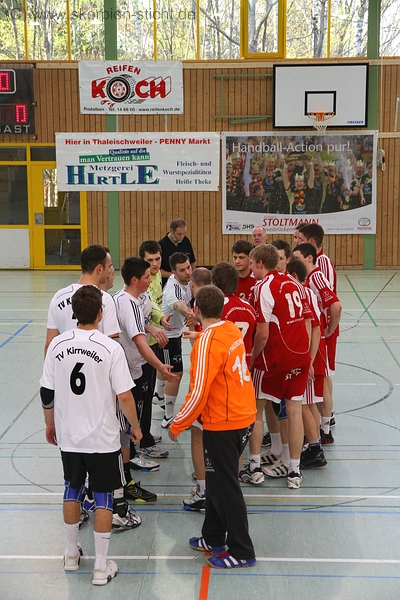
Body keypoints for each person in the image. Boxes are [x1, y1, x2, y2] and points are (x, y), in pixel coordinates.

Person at [40, 286, 142, 586]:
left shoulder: (57, 345)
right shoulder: (110, 348)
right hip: (103, 438)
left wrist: (50, 423)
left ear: (73, 313)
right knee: (103, 496)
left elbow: (46, 391)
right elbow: (125, 396)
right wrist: (135, 427)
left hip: (69, 435)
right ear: (101, 312)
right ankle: (100, 566)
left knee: (71, 488)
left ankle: (71, 555)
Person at [45, 245, 141, 530]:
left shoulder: (58, 297)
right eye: (109, 267)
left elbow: (49, 345)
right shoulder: (104, 300)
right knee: (116, 442)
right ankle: (117, 506)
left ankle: (81, 512)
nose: (111, 272)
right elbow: (112, 343)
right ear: (99, 268)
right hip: (100, 389)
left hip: (68, 392)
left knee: (73, 465)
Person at [169, 285, 257, 570]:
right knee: (216, 481)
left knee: (226, 487)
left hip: (224, 423)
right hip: (244, 416)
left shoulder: (207, 343)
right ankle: (213, 537)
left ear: (196, 310)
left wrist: (178, 424)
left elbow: (198, 392)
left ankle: (242, 550)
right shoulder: (229, 328)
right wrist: (198, 335)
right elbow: (215, 341)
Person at [244, 244, 312, 489]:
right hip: (300, 356)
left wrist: (253, 359)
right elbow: (306, 321)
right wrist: (306, 355)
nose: (251, 269)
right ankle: (294, 470)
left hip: (274, 359)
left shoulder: (263, 287)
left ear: (260, 263)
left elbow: (262, 333)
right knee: (294, 410)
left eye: (252, 264)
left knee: (257, 408)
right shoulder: (294, 282)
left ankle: (254, 467)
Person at [114, 258, 179, 491]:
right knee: (129, 416)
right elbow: (140, 343)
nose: (150, 280)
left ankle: (135, 449)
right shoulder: (125, 303)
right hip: (129, 368)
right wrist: (161, 366)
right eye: (145, 277)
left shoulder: (141, 297)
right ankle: (131, 456)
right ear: (134, 280)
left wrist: (151, 326)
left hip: (139, 365)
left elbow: (140, 325)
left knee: (139, 411)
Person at [293, 243, 342, 445]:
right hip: (318, 334)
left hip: (320, 336)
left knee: (322, 380)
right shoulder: (309, 279)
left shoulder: (316, 277)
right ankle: (322, 428)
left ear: (309, 258)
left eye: (297, 257)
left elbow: (336, 305)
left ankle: (325, 429)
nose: (294, 261)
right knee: (321, 382)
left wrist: (329, 329)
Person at [160, 252, 195, 428]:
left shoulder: (188, 281)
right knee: (175, 374)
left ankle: (158, 395)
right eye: (182, 270)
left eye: (188, 267)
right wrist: (190, 314)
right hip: (167, 336)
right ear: (173, 272)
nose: (188, 272)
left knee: (166, 369)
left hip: (176, 332)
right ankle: (168, 417)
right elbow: (179, 305)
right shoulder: (172, 290)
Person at [158, 219, 196, 286]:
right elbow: (158, 270)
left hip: (186, 283)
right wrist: (175, 275)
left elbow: (192, 262)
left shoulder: (186, 241)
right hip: (168, 283)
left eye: (184, 234)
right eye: (179, 234)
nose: (181, 237)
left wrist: (193, 277)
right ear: (171, 231)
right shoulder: (161, 245)